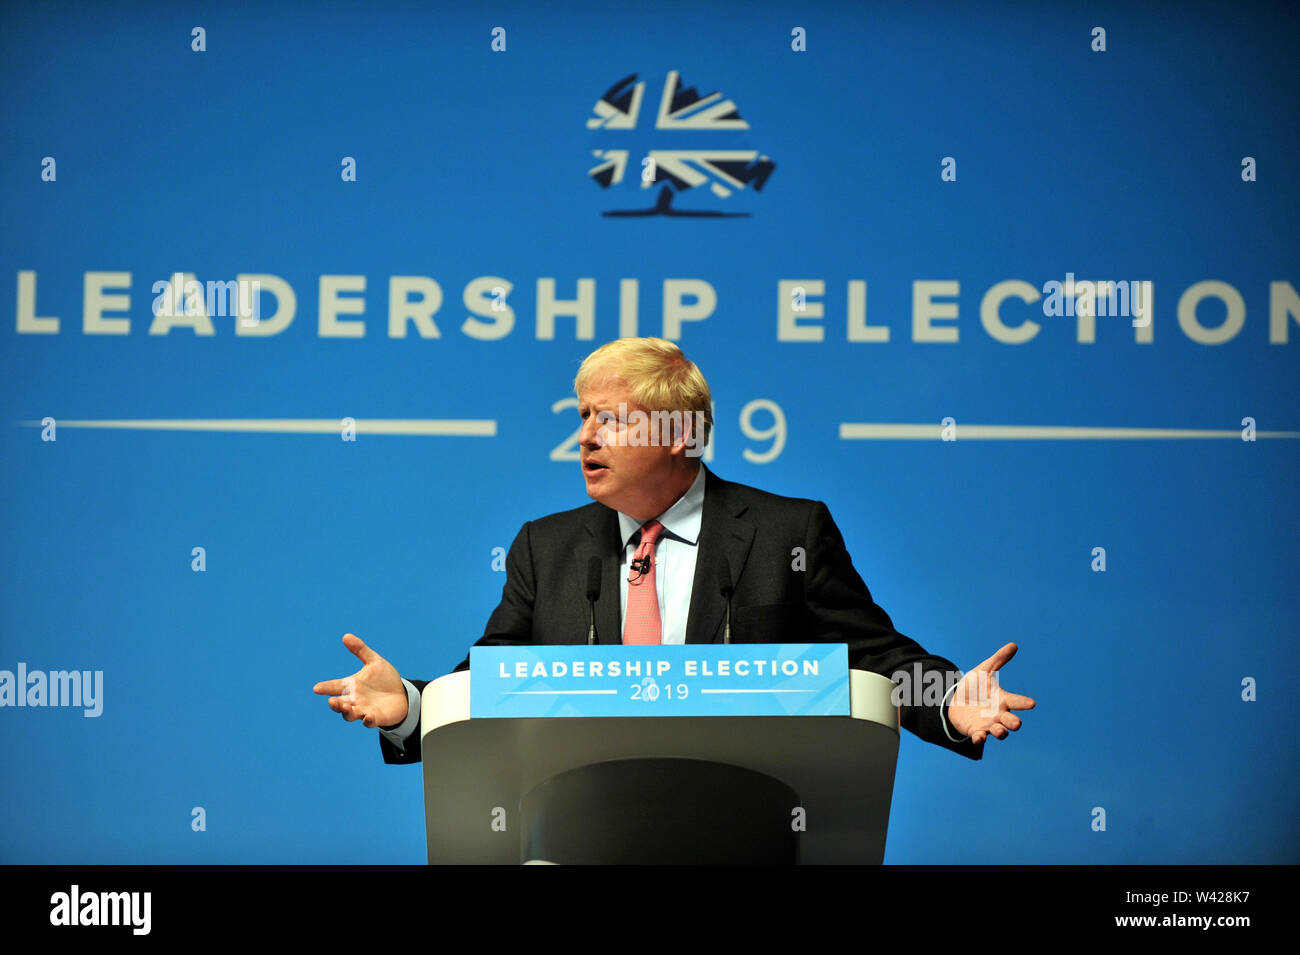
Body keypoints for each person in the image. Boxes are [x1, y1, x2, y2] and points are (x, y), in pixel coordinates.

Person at [314, 338, 1034, 764]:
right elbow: (490, 681)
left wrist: (946, 700)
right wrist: (408, 704)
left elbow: (875, 658)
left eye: (611, 418)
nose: (586, 436)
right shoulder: (548, 547)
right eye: (582, 417)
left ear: (678, 434)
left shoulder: (787, 532)